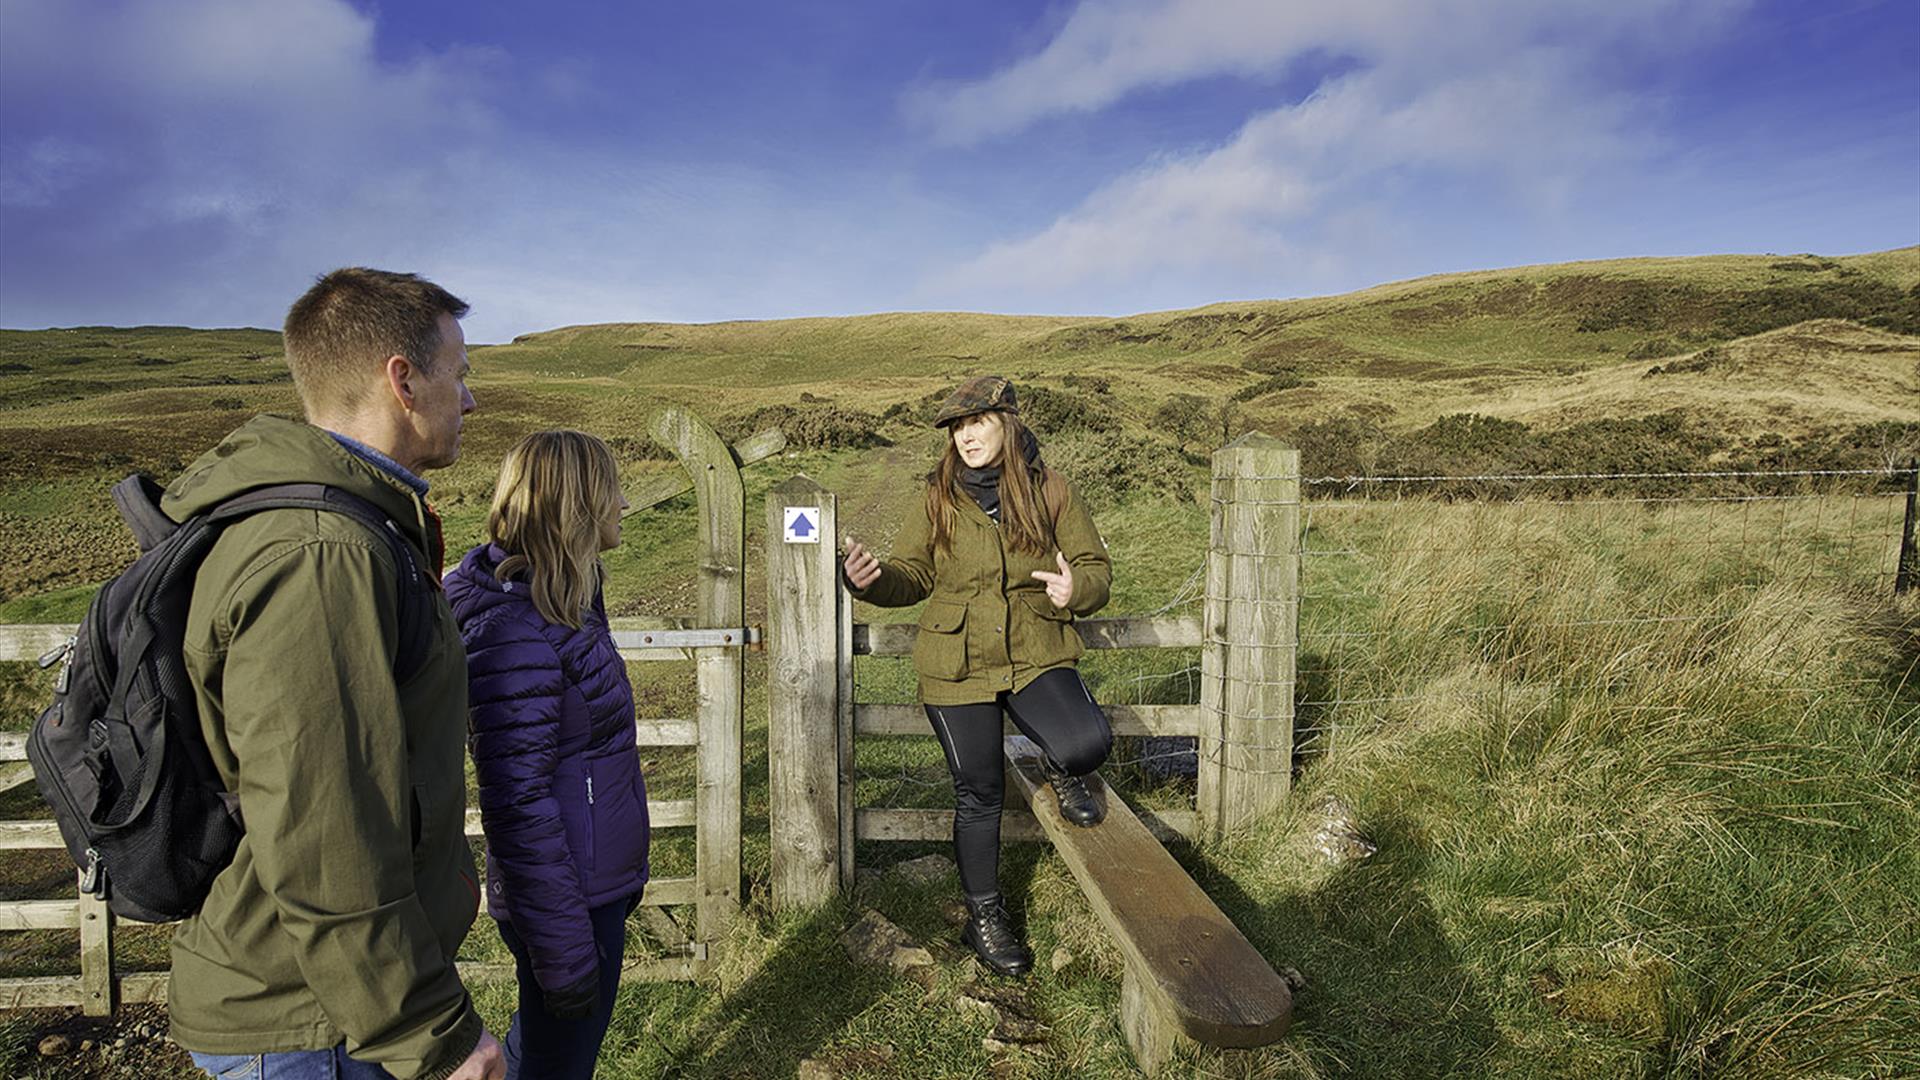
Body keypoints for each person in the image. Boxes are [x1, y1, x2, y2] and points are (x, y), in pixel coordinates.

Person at [165, 269, 505, 1079]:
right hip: (312, 1022)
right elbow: (326, 828)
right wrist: (430, 1032)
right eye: (460, 374)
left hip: (328, 1000)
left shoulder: (341, 528)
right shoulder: (323, 553)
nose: (470, 400)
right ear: (403, 378)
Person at [842, 375, 1114, 978]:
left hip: (1035, 649)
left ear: (1008, 423)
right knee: (980, 792)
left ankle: (1060, 765)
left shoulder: (1052, 492)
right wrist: (871, 580)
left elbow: (1095, 566)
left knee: (1088, 743)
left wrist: (1077, 589)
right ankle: (984, 918)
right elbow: (911, 574)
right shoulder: (938, 498)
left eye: (978, 422)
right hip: (956, 663)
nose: (965, 435)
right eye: (957, 427)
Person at [445, 430, 650, 1080]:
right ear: (579, 505)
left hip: (589, 889)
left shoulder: (567, 604)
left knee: (543, 1057)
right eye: (610, 489)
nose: (624, 501)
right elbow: (517, 804)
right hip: (568, 904)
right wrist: (565, 951)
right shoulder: (516, 631)